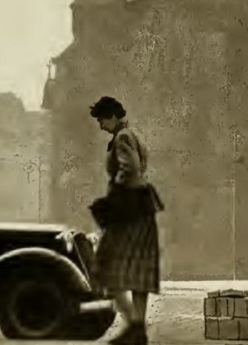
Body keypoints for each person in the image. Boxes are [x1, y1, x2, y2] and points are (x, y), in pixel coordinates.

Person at [89, 96, 163, 345]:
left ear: (111, 116)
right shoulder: (134, 134)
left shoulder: (121, 137)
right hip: (143, 207)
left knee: (104, 266)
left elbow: (129, 168)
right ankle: (138, 330)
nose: (100, 125)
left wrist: (115, 196)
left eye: (101, 119)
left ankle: (133, 324)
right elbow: (139, 167)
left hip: (128, 208)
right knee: (139, 270)